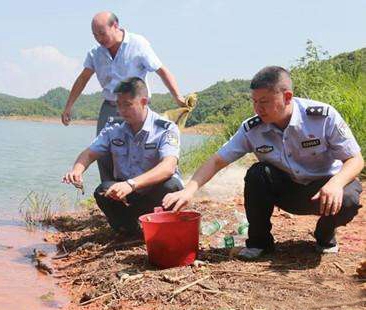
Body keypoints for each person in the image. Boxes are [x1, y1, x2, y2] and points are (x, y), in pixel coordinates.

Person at [162, 66, 363, 259]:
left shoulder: (322, 117)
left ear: (287, 97)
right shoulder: (252, 128)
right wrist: (189, 190)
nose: (258, 108)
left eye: (264, 102)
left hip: (325, 192)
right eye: (254, 101)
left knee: (349, 198)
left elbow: (355, 159)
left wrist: (335, 184)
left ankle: (325, 234)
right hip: (287, 192)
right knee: (258, 173)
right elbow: (217, 161)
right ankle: (260, 242)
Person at [61, 11, 186, 181]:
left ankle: (141, 188)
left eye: (102, 33)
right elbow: (83, 79)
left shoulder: (138, 44)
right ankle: (110, 190)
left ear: (115, 26)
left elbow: (161, 70)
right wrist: (68, 107)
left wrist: (177, 97)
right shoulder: (95, 53)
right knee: (103, 152)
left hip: (135, 106)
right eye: (95, 35)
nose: (99, 38)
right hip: (110, 106)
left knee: (143, 150)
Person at [63, 77, 183, 235]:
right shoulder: (114, 128)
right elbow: (89, 153)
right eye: (118, 105)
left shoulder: (165, 128)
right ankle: (129, 230)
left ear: (143, 101)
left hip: (155, 193)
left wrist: (131, 184)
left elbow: (168, 167)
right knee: (103, 191)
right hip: (126, 196)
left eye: (127, 105)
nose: (121, 111)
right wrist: (77, 170)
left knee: (171, 187)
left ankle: (160, 226)